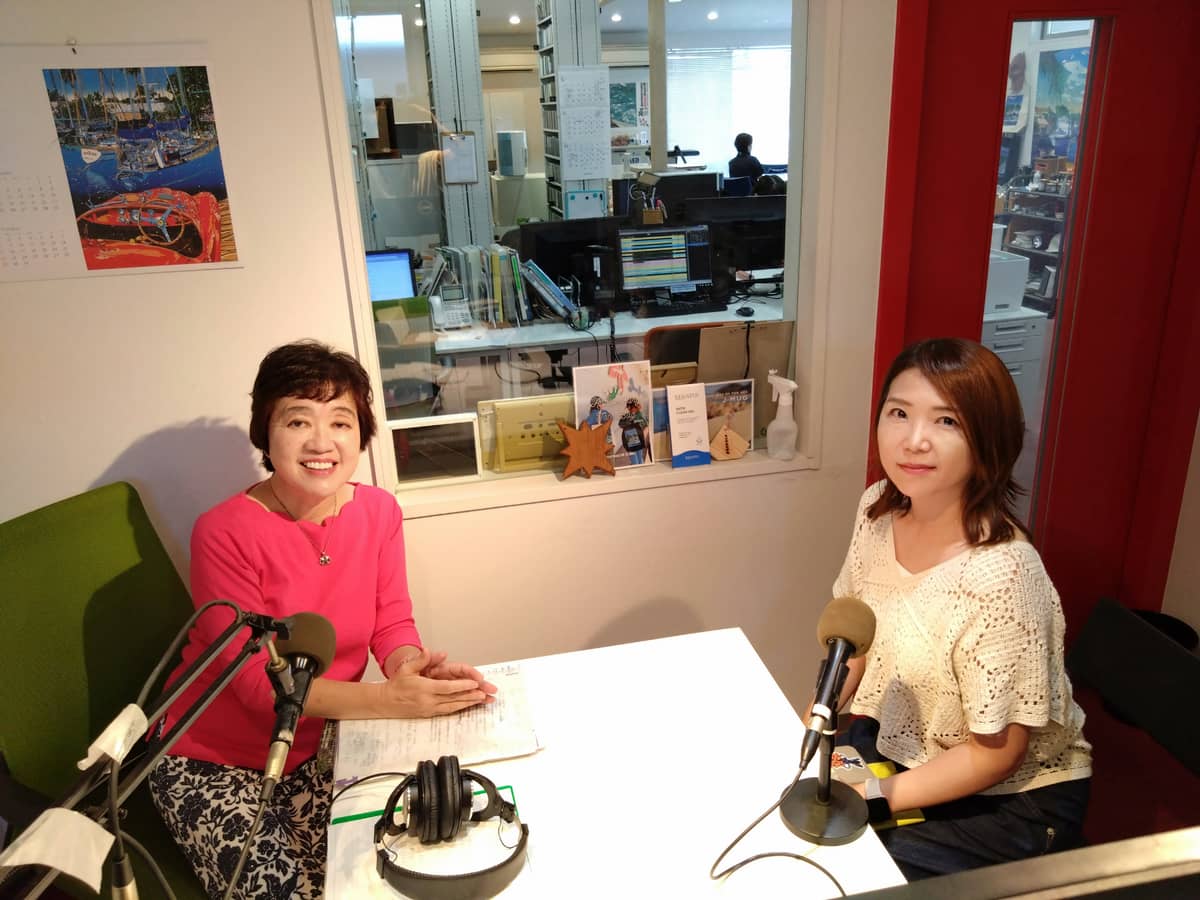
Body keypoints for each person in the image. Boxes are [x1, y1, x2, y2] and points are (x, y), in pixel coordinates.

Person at [148, 340, 497, 899]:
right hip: (212, 758)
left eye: (340, 421)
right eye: (297, 420)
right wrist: (390, 701)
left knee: (386, 876)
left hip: (323, 745)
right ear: (265, 433)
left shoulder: (378, 511)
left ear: (361, 434)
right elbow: (258, 688)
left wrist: (410, 668)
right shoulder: (223, 532)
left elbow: (391, 622)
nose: (321, 442)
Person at [827, 337, 1091, 880]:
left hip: (1009, 802)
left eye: (946, 421)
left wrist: (873, 797)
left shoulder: (1002, 574)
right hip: (905, 747)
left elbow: (997, 754)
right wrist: (818, 719)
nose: (914, 440)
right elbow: (854, 636)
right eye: (899, 413)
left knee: (842, 873)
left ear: (988, 439)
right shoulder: (876, 510)